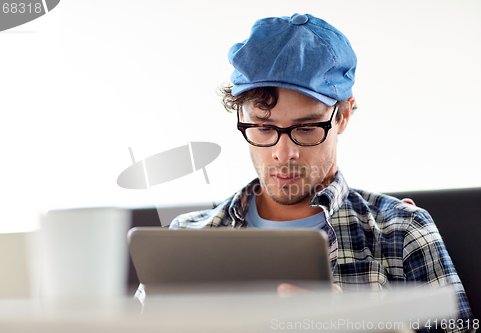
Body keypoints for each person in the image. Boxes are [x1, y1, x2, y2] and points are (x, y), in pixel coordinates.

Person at [165, 13, 473, 332]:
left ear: (343, 116)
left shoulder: (401, 233)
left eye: (307, 127)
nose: (283, 153)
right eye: (262, 126)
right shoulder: (184, 238)